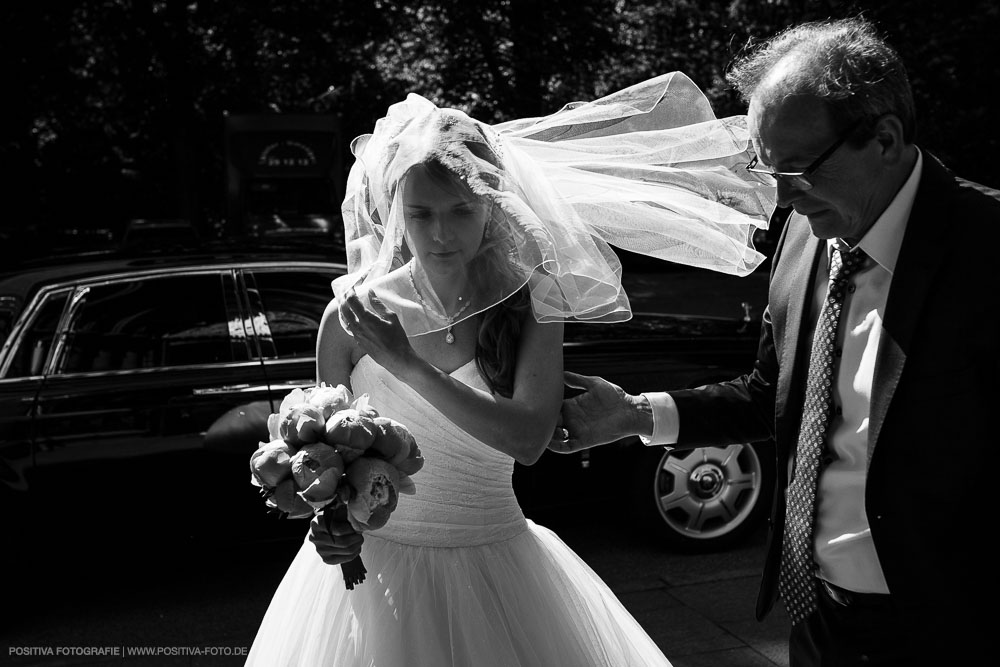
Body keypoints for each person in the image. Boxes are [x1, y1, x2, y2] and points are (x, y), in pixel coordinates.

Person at [246, 73, 773, 666]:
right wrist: (328, 526)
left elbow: (527, 441)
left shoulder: (532, 302)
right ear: (392, 210)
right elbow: (323, 458)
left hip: (495, 566)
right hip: (375, 579)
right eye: (420, 214)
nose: (441, 233)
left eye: (461, 211)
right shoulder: (349, 318)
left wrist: (404, 363)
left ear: (492, 207)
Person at [549, 17, 1000, 667]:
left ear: (885, 139)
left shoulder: (991, 252)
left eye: (798, 171)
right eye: (769, 172)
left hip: (953, 627)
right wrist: (635, 413)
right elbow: (774, 393)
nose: (782, 200)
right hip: (819, 622)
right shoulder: (801, 236)